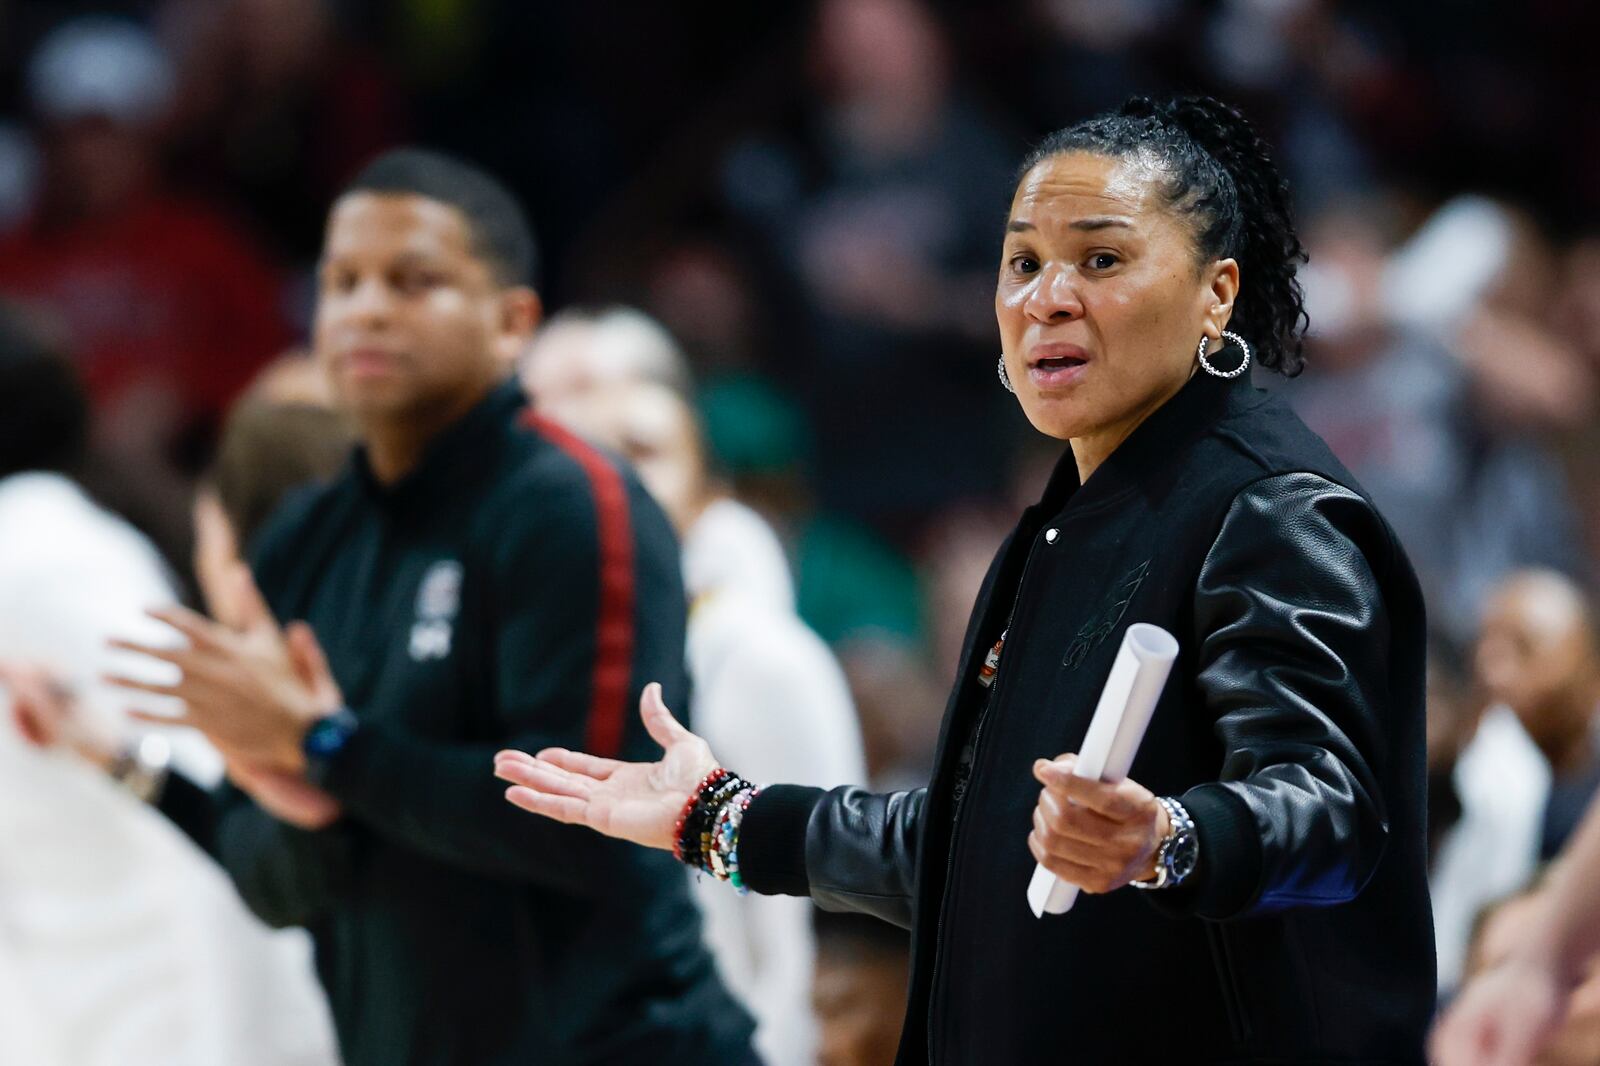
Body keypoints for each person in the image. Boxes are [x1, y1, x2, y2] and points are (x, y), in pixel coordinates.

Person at [496, 95, 1436, 1061]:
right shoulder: (1064, 525)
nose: (1047, 296)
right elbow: (979, 849)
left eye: (1101, 260)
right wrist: (720, 819)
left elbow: (1330, 812)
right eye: (1024, 262)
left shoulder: (1271, 508)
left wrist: (1170, 838)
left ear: (1217, 293)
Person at [106, 148, 756, 1066]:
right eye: (343, 281)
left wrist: (330, 751)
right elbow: (273, 885)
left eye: (414, 281)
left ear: (511, 322)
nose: (366, 308)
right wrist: (298, 796)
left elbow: (599, 826)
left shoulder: (574, 505)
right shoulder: (305, 541)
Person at [0, 303, 338, 1066]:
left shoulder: (43, 550)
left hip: (151, 1004)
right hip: (68, 995)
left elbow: (192, 773)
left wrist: (238, 1039)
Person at [544, 372, 869, 1066]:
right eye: (597, 454)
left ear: (706, 489)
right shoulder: (555, 654)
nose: (621, 476)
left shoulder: (764, 657)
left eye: (646, 450)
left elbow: (815, 909)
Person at [1476, 570, 1600, 859]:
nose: (1492, 673)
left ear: (1587, 666)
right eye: (1485, 649)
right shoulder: (1468, 774)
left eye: (1523, 648)